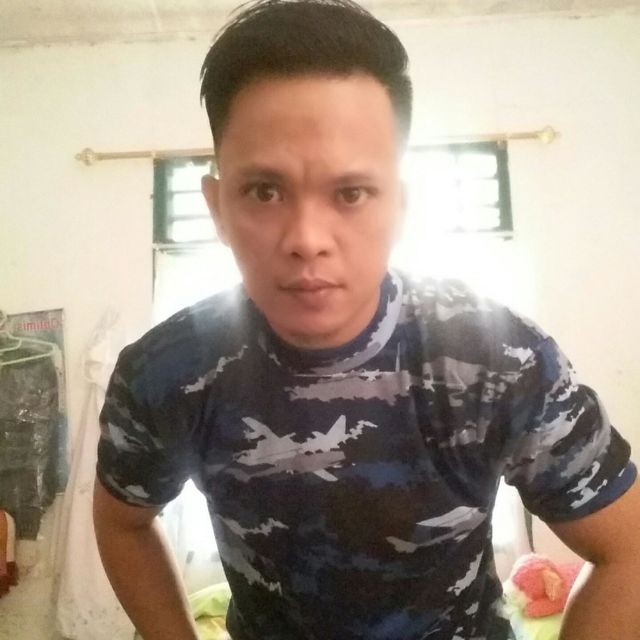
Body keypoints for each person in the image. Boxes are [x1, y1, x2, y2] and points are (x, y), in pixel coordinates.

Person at [93, 1, 640, 639]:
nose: (307, 239)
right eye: (264, 191)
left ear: (399, 205)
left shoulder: (499, 358)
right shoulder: (165, 371)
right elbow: (123, 522)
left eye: (350, 193)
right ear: (217, 206)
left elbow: (627, 549)